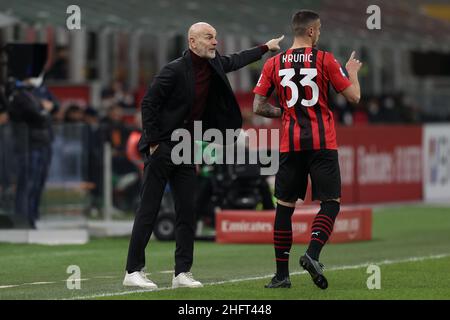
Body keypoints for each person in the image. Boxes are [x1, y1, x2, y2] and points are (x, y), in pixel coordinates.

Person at [123, 21, 284, 289]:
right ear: (192, 42)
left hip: (187, 147)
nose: (215, 42)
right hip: (163, 147)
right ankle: (133, 270)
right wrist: (154, 143)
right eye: (209, 37)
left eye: (215, 37)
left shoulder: (213, 65)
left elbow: (235, 60)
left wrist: (265, 48)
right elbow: (149, 103)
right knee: (148, 209)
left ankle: (181, 273)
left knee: (188, 210)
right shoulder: (173, 70)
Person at [252, 10, 362, 289]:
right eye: (320, 29)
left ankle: (281, 276)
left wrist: (288, 111)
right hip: (322, 143)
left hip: (291, 145)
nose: (320, 33)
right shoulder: (325, 59)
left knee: (284, 209)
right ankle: (312, 254)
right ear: (312, 31)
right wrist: (352, 73)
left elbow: (258, 107)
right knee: (330, 203)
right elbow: (354, 97)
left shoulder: (273, 64)